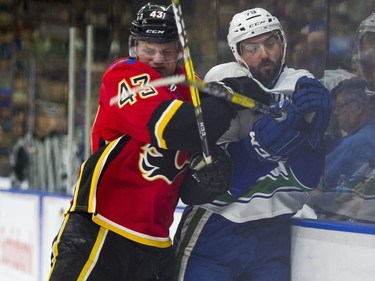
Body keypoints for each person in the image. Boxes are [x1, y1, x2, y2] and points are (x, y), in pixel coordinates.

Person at [47, 3, 259, 281]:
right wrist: (228, 99)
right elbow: (177, 128)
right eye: (149, 49)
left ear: (180, 53)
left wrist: (211, 175)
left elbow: (189, 188)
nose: (158, 58)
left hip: (156, 242)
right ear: (134, 48)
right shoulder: (123, 75)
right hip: (100, 228)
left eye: (167, 50)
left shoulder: (191, 89)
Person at [173, 8, 331, 281]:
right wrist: (271, 138)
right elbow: (226, 179)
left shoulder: (303, 85)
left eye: (270, 43)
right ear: (238, 53)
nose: (263, 54)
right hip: (217, 224)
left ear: (282, 43)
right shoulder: (225, 81)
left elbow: (306, 179)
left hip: (274, 230)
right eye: (251, 47)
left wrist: (317, 129)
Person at [311, 77, 375, 223]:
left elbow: (312, 184)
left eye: (339, 106)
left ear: (358, 107)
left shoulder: (356, 142)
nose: (335, 113)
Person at [10, 99, 78, 193]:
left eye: (52, 116)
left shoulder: (66, 144)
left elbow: (75, 176)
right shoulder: (24, 144)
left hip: (59, 201)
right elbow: (15, 179)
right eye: (43, 115)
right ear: (36, 118)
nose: (48, 120)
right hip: (33, 201)